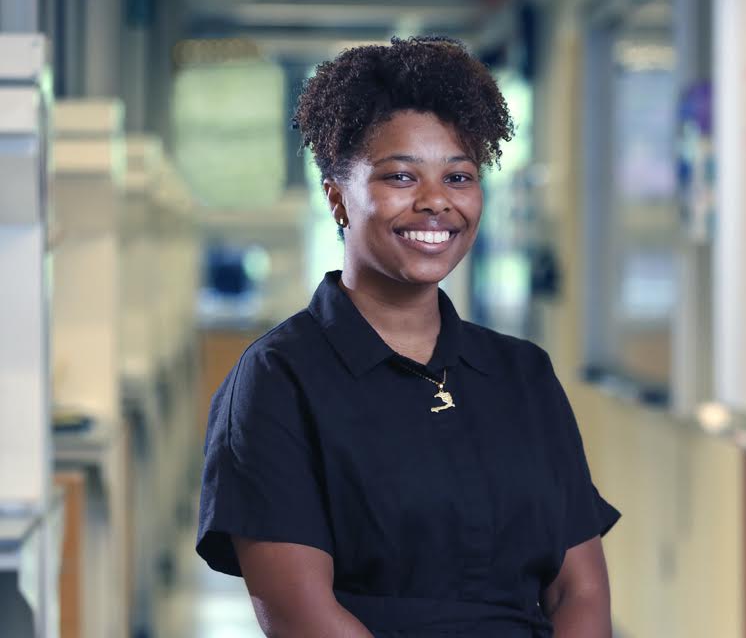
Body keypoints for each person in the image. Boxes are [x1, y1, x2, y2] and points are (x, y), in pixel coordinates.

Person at [196, 35, 620, 637]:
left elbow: (581, 589)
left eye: (459, 176)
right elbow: (300, 617)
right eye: (400, 176)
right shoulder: (278, 381)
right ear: (337, 196)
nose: (435, 203)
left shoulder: (522, 373)